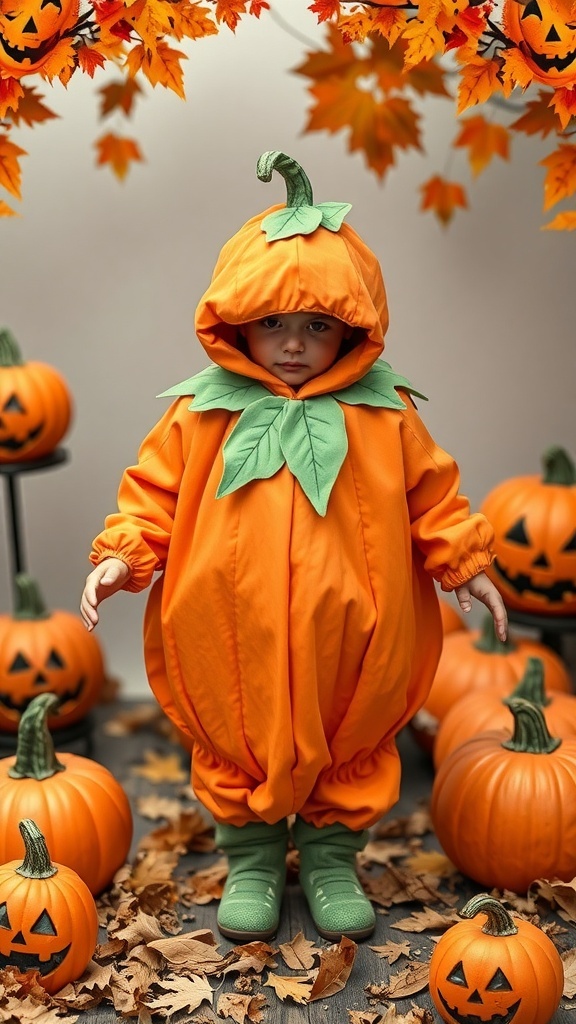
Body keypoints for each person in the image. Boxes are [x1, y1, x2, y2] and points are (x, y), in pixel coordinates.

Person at [81, 151, 507, 945]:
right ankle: (250, 855)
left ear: (353, 328)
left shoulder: (385, 417)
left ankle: (331, 855)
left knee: (350, 728)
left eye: (317, 326)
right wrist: (122, 554)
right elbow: (153, 493)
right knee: (236, 728)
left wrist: (466, 564)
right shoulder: (200, 414)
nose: (292, 344)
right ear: (237, 320)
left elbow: (432, 495)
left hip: (355, 632)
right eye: (274, 322)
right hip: (228, 624)